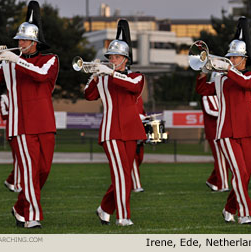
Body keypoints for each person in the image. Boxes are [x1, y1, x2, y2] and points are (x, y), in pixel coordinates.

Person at [0, 1, 59, 228]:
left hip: (45, 123)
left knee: (43, 170)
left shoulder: (50, 59)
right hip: (20, 125)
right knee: (29, 172)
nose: (20, 43)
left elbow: (42, 76)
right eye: (18, 40)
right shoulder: (8, 63)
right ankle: (32, 217)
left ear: (35, 42)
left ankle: (20, 207)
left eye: (24, 40)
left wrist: (16, 59)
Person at [195, 17, 251, 224]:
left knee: (245, 176)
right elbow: (202, 90)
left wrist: (227, 69)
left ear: (245, 59)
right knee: (240, 173)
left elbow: (245, 84)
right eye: (229, 57)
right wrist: (203, 71)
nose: (231, 60)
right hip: (226, 132)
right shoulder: (221, 77)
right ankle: (244, 213)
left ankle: (229, 208)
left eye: (234, 57)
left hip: (250, 130)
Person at [84, 19, 146, 226]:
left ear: (126, 59)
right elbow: (89, 96)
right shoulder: (103, 77)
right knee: (121, 174)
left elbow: (134, 88)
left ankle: (105, 208)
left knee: (125, 174)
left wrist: (110, 72)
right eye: (110, 56)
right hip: (111, 131)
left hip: (131, 130)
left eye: (117, 56)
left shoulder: (136, 77)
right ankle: (123, 216)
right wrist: (93, 76)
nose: (112, 59)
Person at [201, 94, 229, 192]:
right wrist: (225, 113)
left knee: (226, 158)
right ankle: (222, 185)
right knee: (220, 157)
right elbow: (209, 111)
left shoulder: (223, 94)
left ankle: (212, 181)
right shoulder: (206, 96)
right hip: (213, 132)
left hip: (223, 131)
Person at [0, 94, 21, 193]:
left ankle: (10, 180)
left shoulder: (23, 94)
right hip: (13, 132)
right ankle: (17, 184)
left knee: (25, 159)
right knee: (18, 158)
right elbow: (3, 114)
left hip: (25, 130)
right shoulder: (5, 98)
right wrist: (18, 111)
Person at [132, 96, 146, 193]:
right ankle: (137, 186)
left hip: (140, 135)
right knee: (133, 161)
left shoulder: (140, 98)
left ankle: (127, 181)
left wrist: (145, 117)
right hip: (130, 132)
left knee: (139, 159)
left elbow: (143, 112)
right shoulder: (127, 97)